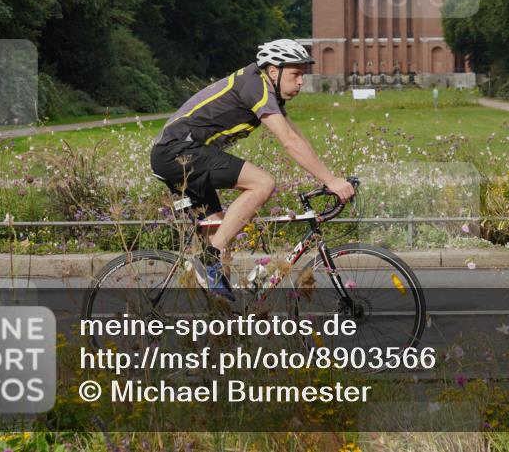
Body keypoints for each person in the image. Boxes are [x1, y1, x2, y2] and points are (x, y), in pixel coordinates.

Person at [150, 39, 355, 300]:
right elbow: (289, 143)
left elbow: (297, 137)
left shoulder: (267, 92)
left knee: (221, 233)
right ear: (273, 71)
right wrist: (330, 180)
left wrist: (331, 177)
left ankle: (223, 322)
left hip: (187, 157)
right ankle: (206, 259)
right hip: (175, 153)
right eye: (296, 74)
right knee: (262, 183)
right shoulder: (255, 86)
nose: (301, 82)